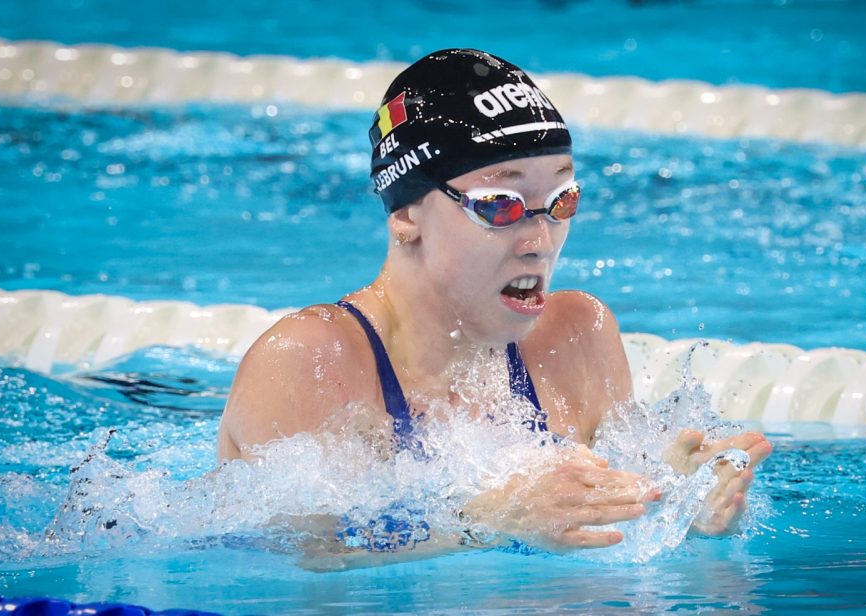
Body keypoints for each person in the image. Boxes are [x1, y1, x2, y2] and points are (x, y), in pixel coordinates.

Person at [216, 48, 771, 556]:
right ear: (407, 213)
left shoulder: (578, 334)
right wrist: (486, 519)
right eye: (501, 205)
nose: (539, 240)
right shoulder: (313, 360)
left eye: (561, 199)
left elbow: (609, 529)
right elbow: (303, 555)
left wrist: (672, 502)